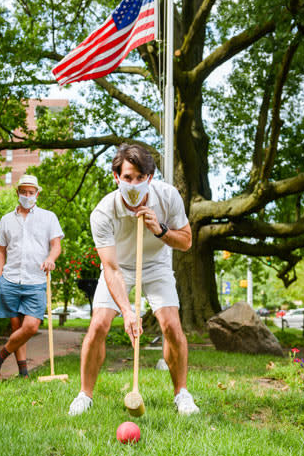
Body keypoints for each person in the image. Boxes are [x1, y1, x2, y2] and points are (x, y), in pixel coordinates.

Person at [68, 144, 198, 416]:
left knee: (171, 325)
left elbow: (186, 241)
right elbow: (111, 268)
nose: (134, 184)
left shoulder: (168, 196)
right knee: (99, 324)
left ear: (150, 177)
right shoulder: (103, 212)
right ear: (116, 177)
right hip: (119, 267)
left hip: (156, 263)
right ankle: (84, 395)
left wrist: (160, 230)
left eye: (140, 177)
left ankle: (182, 394)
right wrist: (127, 311)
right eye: (128, 178)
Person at [0, 175, 63, 384]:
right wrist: (0, 278)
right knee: (16, 327)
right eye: (24, 192)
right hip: (10, 280)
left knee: (30, 327)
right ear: (18, 193)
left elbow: (56, 245)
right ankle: (23, 373)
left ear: (37, 193)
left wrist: (50, 258)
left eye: (31, 192)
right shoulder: (6, 220)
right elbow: (0, 251)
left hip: (36, 280)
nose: (27, 196)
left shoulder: (48, 217)